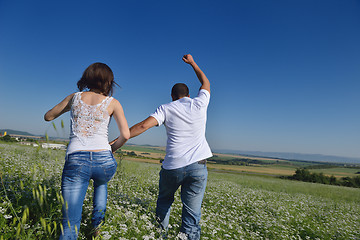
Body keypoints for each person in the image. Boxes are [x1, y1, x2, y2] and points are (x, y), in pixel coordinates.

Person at [115, 54, 212, 239]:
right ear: (189, 95)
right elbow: (205, 82)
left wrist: (116, 142)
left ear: (172, 96)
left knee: (165, 201)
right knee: (192, 214)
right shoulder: (200, 103)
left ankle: (159, 235)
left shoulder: (166, 108)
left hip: (172, 166)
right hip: (198, 165)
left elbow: (143, 126)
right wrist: (193, 63)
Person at [44, 62, 130, 239]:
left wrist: (72, 107)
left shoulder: (74, 97)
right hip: (105, 160)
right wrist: (111, 148)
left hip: (76, 160)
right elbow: (126, 135)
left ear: (87, 78)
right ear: (109, 82)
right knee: (101, 182)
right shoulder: (113, 103)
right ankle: (96, 228)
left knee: (70, 223)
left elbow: (48, 116)